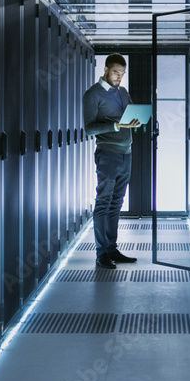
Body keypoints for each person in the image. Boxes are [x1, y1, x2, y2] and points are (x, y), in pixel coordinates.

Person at [83, 54, 142, 269]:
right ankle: (101, 253)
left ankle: (112, 248)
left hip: (126, 152)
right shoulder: (92, 94)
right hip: (107, 154)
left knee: (116, 203)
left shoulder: (123, 92)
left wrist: (136, 120)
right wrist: (117, 126)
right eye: (116, 72)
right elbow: (89, 128)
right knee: (104, 202)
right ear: (106, 69)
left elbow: (131, 113)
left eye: (122, 74)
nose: (119, 77)